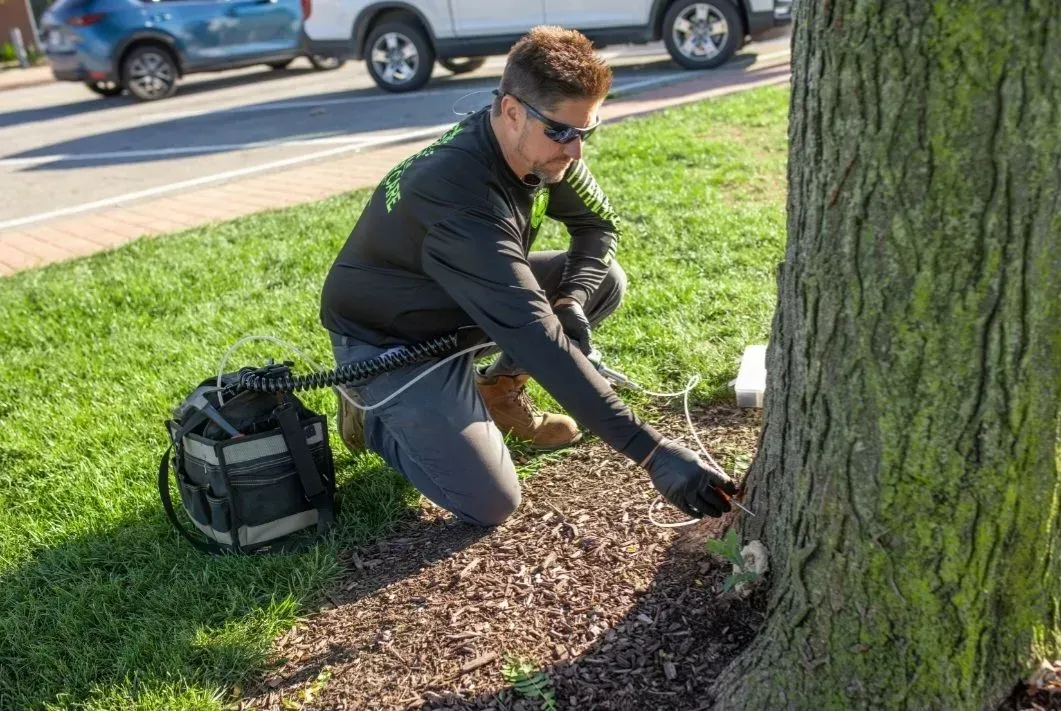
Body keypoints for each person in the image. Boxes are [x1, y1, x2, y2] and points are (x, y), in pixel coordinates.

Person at [319, 26, 735, 527]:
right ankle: (374, 411)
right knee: (490, 502)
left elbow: (596, 227)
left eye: (587, 132)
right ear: (513, 110)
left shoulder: (540, 147)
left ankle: (495, 392)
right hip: (391, 339)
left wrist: (572, 301)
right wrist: (653, 453)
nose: (576, 149)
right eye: (562, 132)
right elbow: (534, 334)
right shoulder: (455, 194)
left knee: (604, 279)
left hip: (466, 306)